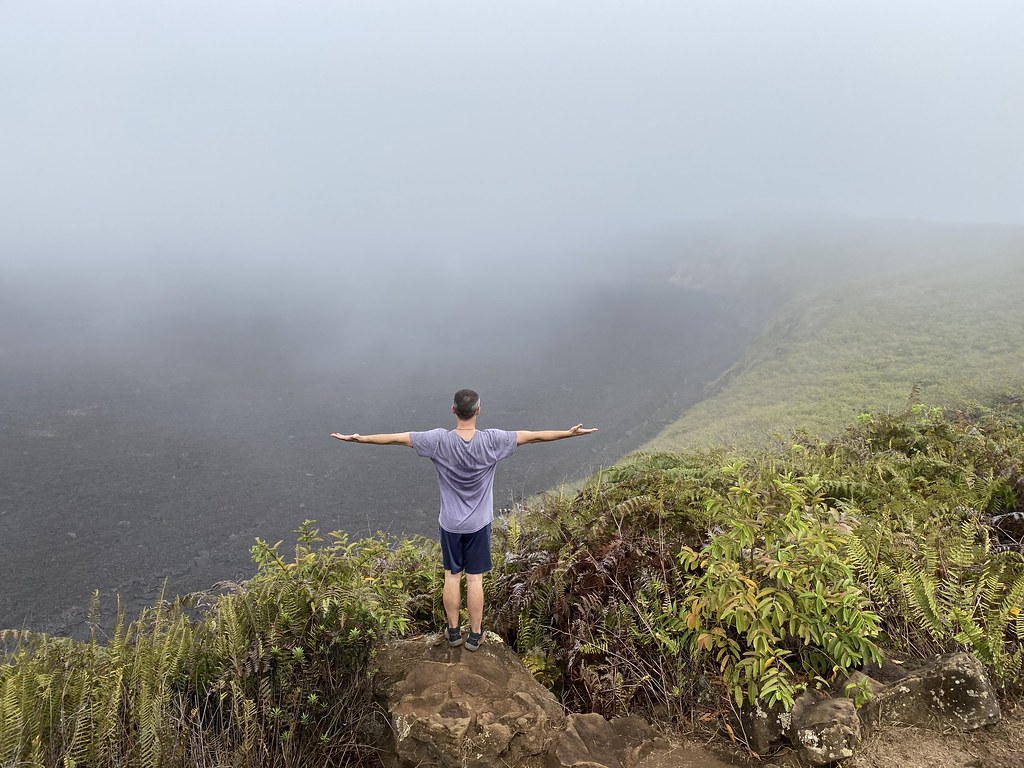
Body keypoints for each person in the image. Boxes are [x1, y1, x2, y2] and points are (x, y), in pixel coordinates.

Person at [331, 388, 597, 651]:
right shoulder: (492, 441)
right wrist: (569, 433)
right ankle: (475, 635)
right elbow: (533, 437)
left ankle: (453, 632)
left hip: (450, 524)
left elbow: (397, 439)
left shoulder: (438, 440)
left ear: (453, 410)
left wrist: (360, 439)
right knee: (474, 579)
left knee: (451, 576)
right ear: (478, 411)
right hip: (478, 524)